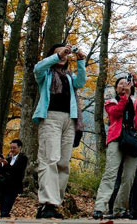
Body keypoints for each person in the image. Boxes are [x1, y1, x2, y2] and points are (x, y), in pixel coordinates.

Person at [32, 43, 87, 219]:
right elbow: (38, 67)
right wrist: (57, 55)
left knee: (63, 162)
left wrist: (80, 62)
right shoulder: (45, 74)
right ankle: (48, 202)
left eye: (65, 53)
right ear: (52, 56)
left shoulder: (69, 78)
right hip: (50, 118)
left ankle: (55, 203)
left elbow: (82, 82)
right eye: (59, 53)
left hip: (69, 120)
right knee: (50, 159)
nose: (63, 55)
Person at [93, 74, 137, 219]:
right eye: (120, 84)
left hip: (132, 141)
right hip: (116, 139)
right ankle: (100, 207)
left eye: (125, 83)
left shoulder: (136, 102)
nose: (123, 85)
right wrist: (125, 96)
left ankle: (119, 209)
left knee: (129, 177)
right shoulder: (110, 102)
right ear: (115, 88)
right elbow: (117, 113)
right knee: (110, 173)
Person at [0, 139, 28, 218]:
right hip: (4, 186)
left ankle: (4, 217)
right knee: (2, 207)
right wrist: (0, 164)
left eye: (14, 148)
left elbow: (17, 171)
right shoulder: (8, 158)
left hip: (13, 187)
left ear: (20, 148)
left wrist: (7, 165)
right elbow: (2, 172)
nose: (12, 150)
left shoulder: (23, 158)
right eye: (11, 148)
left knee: (6, 207)